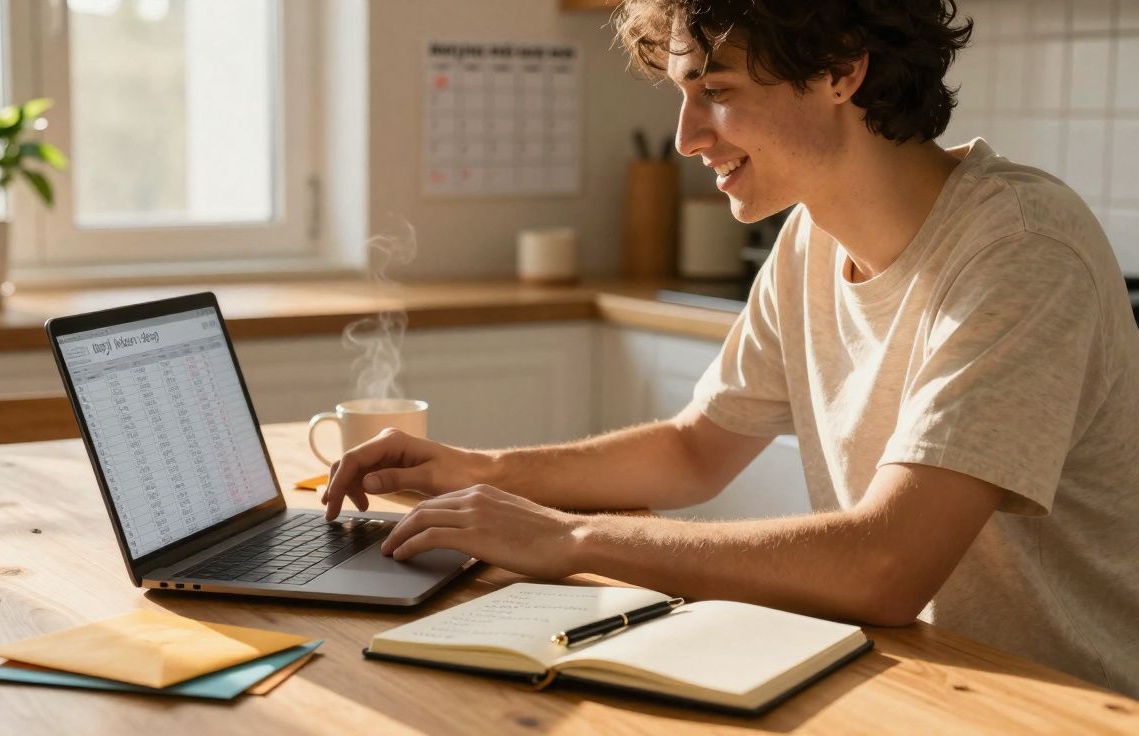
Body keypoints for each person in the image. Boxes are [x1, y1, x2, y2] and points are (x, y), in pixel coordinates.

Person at [324, 0, 1139, 695]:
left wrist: (570, 539)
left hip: (1057, 700)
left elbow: (885, 566)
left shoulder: (1023, 251)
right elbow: (693, 451)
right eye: (685, 93)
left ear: (840, 71)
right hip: (917, 674)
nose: (685, 136)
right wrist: (478, 471)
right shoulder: (812, 236)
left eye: (715, 91)